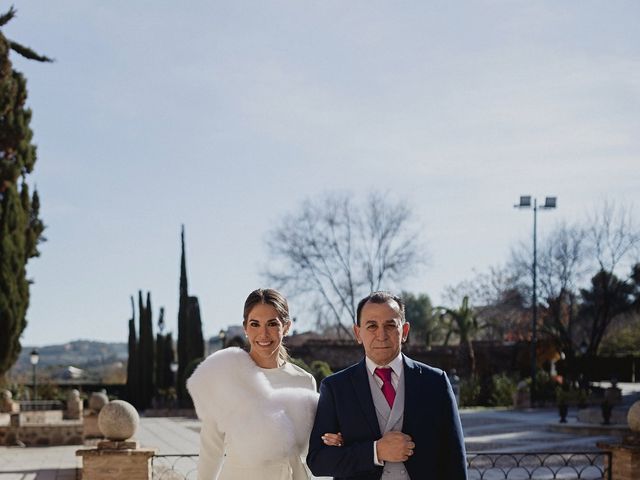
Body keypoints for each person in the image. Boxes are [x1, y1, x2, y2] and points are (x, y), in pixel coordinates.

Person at [307, 291, 468, 480]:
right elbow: (318, 461)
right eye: (372, 326)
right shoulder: (336, 388)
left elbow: (454, 458)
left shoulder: (435, 382)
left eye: (390, 325)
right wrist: (375, 452)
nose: (381, 335)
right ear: (358, 333)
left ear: (405, 331)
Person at [187, 288, 325, 480]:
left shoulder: (303, 380)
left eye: (272, 324)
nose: (263, 333)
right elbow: (211, 448)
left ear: (286, 327)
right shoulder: (227, 378)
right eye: (255, 324)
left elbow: (310, 446)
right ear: (245, 328)